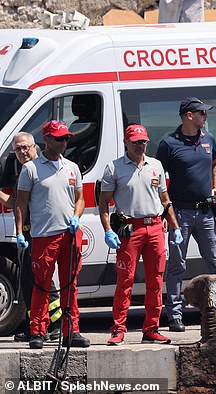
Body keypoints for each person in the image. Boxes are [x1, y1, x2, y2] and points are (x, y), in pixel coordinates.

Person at [99, 124, 183, 345]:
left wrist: (175, 227)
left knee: (155, 281)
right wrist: (108, 230)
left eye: (143, 141)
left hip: (155, 227)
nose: (140, 146)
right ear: (126, 142)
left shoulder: (155, 165)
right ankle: (118, 328)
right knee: (124, 280)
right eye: (135, 142)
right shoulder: (114, 168)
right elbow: (103, 203)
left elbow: (165, 200)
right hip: (130, 228)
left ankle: (152, 328)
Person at [14, 120, 90, 349]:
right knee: (42, 285)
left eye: (66, 138)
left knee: (70, 285)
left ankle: (71, 330)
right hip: (44, 236)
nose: (64, 141)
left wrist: (77, 216)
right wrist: (19, 232)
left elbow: (80, 199)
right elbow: (21, 203)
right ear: (46, 139)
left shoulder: (71, 167)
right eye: (59, 138)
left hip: (69, 234)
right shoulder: (31, 169)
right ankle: (38, 330)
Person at [156, 96, 216, 332]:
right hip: (180, 213)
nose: (205, 117)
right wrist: (166, 208)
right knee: (177, 265)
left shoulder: (209, 139)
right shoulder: (169, 143)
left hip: (206, 212)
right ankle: (174, 315)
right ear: (189, 116)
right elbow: (157, 177)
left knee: (215, 264)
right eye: (202, 114)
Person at [0, 133, 61, 342]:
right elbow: (17, 203)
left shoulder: (39, 169)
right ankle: (35, 325)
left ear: (35, 146)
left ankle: (57, 324)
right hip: (27, 231)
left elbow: (18, 201)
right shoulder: (25, 170)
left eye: (25, 147)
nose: (22, 152)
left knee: (42, 280)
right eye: (18, 149)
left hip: (40, 232)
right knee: (27, 281)